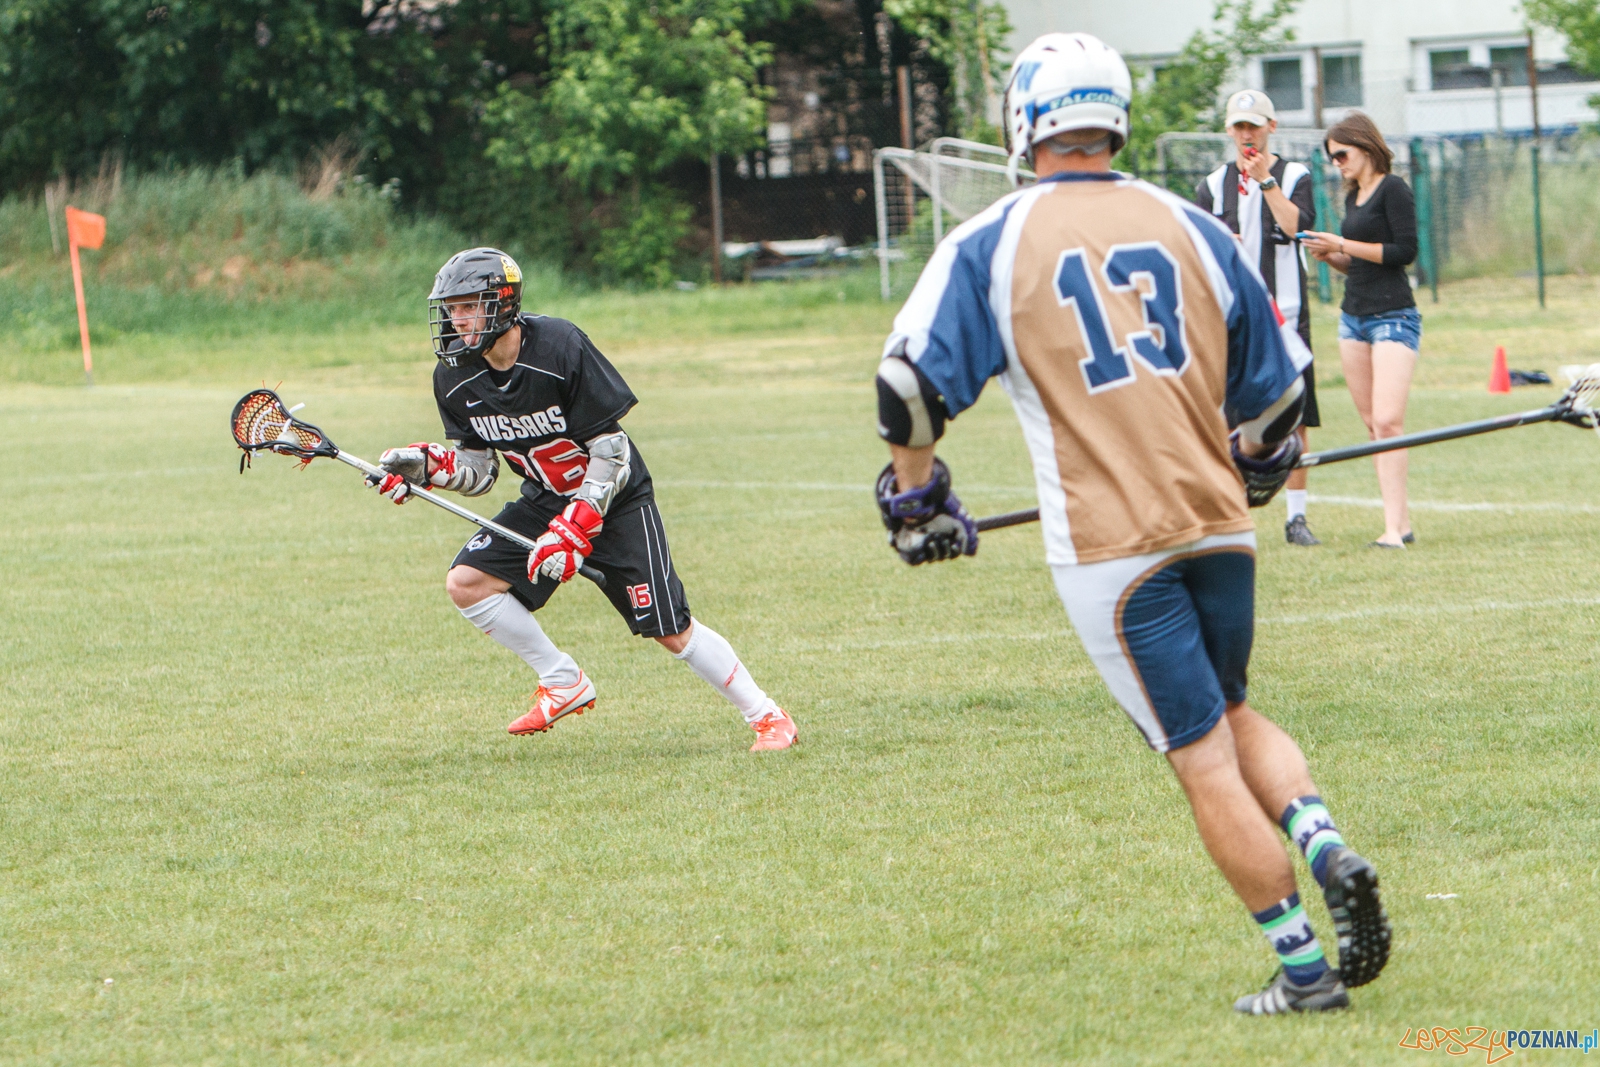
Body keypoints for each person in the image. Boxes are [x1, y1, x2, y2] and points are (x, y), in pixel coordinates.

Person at [873, 33, 1390, 1013]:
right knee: (1231, 710)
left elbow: (906, 388)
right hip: (1218, 527)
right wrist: (1256, 465)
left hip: (1112, 550)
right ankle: (1325, 844)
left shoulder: (993, 239)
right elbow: (1282, 394)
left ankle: (1303, 972)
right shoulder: (1188, 222)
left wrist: (916, 498)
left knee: (1199, 754)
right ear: (1113, 116)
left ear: (1026, 120)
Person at [368, 247, 797, 750]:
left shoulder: (558, 347)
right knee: (468, 582)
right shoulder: (454, 375)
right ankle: (563, 680)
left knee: (670, 629)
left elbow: (612, 454)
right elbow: (480, 471)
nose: (457, 320)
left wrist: (575, 527)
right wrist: (426, 469)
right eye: (451, 308)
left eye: (468, 306)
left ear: (503, 303)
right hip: (545, 499)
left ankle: (768, 717)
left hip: (614, 500)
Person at [1195, 89, 1323, 547]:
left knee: (1295, 415)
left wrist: (1265, 181)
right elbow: (1200, 249)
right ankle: (1232, 516)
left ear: (1271, 127)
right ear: (1229, 130)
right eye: (1239, 126)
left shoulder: (1294, 175)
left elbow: (1296, 228)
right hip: (1233, 318)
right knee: (1228, 417)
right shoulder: (1213, 184)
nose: (1246, 135)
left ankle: (1297, 517)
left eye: (1254, 126)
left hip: (1287, 313)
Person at [1298, 112, 1421, 549]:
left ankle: (1393, 531)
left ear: (1365, 147)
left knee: (1388, 421)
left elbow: (1404, 251)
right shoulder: (1353, 197)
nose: (1337, 163)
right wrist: (1331, 256)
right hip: (1353, 319)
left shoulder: (1393, 189)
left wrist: (1341, 243)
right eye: (1332, 158)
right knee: (1372, 425)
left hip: (1393, 317)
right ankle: (1399, 523)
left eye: (1341, 154)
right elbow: (1360, 264)